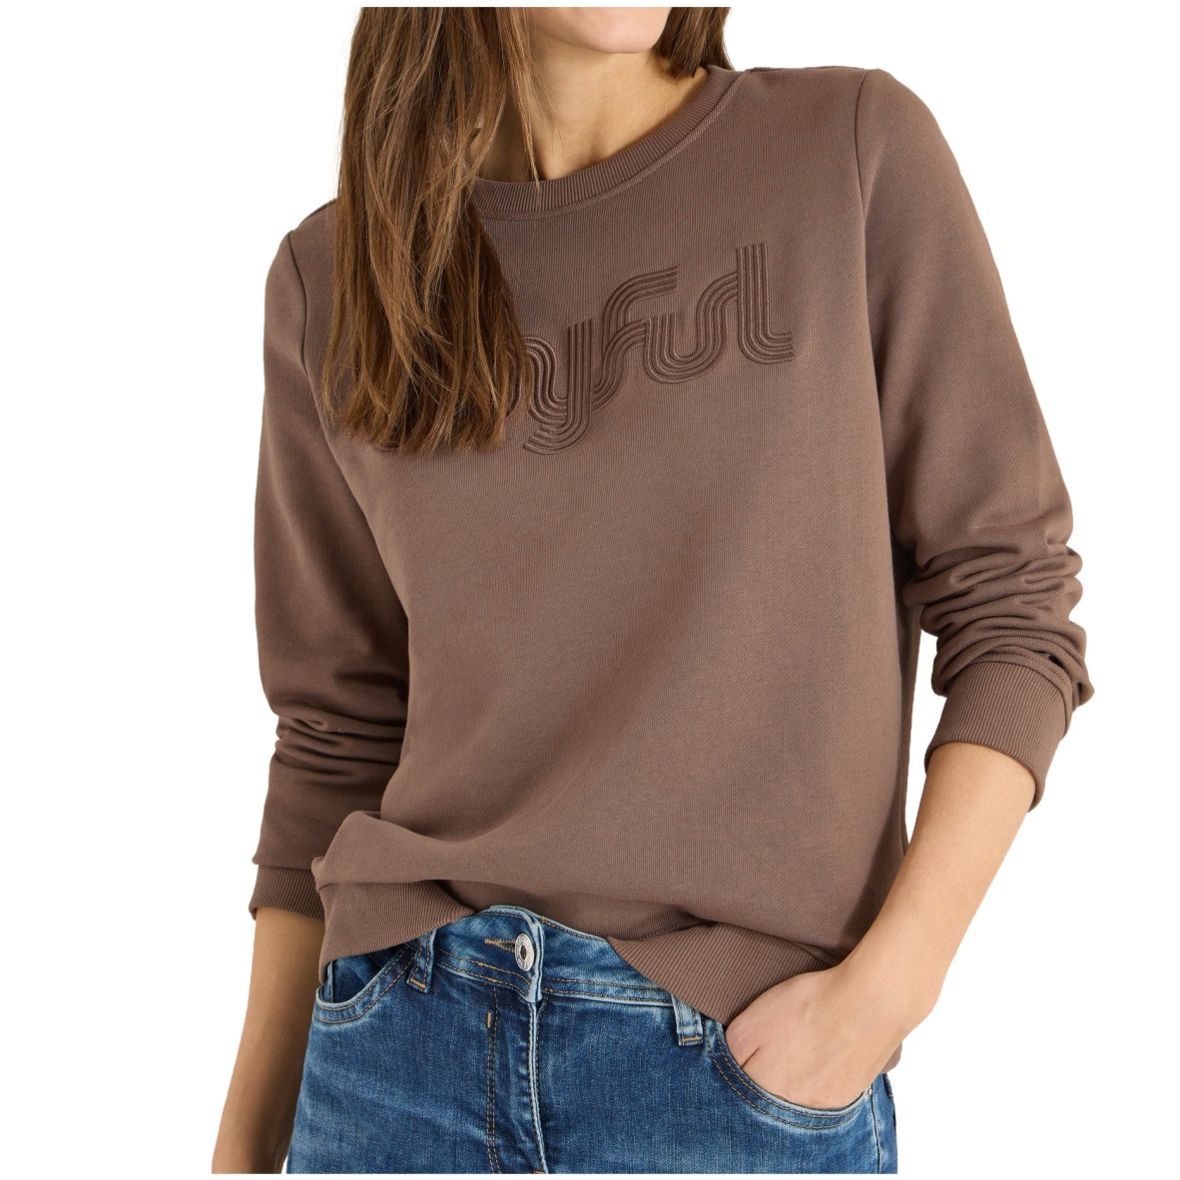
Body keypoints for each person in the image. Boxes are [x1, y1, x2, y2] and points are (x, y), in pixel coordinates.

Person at [212, 7, 1094, 1174]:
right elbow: (335, 732)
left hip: (731, 1075)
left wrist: (885, 992)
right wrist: (244, 1148)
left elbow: (1013, 610)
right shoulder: (333, 276)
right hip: (396, 1064)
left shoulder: (846, 152)